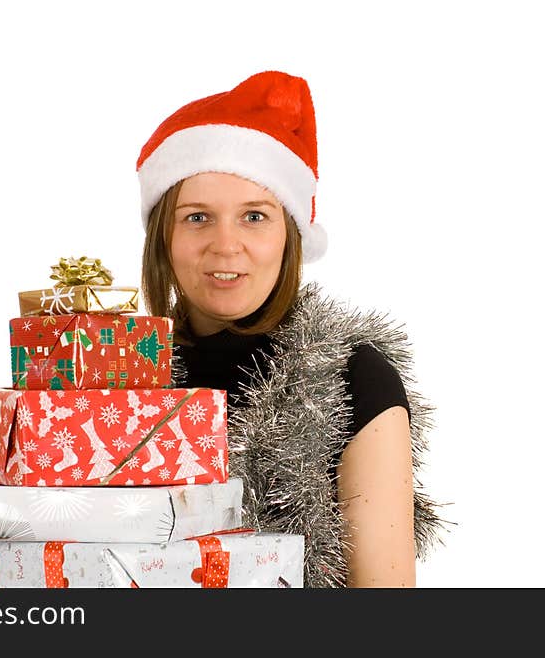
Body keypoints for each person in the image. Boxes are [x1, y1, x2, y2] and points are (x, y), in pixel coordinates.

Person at [136, 70, 445, 588]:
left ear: (291, 235)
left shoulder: (352, 377)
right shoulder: (115, 382)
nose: (225, 244)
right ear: (162, 234)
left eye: (254, 217)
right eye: (196, 217)